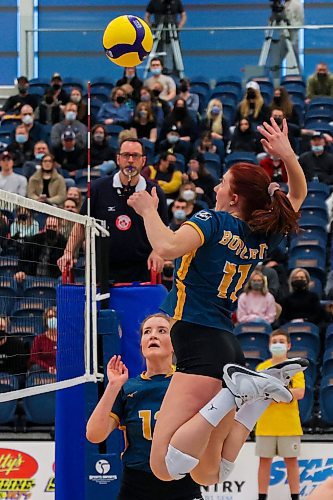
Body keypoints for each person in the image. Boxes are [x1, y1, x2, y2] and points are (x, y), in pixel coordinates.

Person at [126, 117, 308, 486]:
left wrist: (147, 210)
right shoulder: (261, 233)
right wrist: (288, 155)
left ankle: (235, 396)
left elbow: (165, 248)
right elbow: (298, 195)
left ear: (235, 197)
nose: (217, 186)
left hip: (196, 339)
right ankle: (253, 396)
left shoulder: (212, 219)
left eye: (223, 183)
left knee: (163, 466)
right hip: (226, 347)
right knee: (209, 474)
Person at [86, 313, 202, 500]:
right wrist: (113, 386)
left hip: (182, 481)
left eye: (162, 331)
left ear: (174, 344)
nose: (153, 335)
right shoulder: (128, 388)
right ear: (141, 344)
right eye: (147, 332)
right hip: (137, 483)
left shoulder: (188, 383)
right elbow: (94, 434)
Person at [58, 138, 168, 284]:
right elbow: (81, 225)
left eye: (135, 156)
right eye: (125, 155)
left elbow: (164, 229)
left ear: (143, 161)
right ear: (118, 159)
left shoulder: (154, 191)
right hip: (102, 271)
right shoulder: (98, 188)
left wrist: (158, 253)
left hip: (142, 270)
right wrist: (68, 253)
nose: (130, 160)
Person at [255, 329, 305, 500]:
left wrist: (277, 393)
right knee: (264, 462)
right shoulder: (262, 368)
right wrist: (283, 395)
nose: (278, 344)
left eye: (281, 341)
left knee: (291, 462)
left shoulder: (295, 368)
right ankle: (262, 497)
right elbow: (257, 392)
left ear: (289, 345)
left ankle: (295, 497)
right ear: (269, 345)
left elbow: (300, 392)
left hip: (289, 425)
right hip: (265, 424)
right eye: (274, 341)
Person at [15, 216, 67, 283]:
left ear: (59, 228)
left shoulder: (64, 243)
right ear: (45, 227)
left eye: (54, 227)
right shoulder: (34, 240)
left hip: (54, 280)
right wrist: (20, 271)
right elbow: (23, 258)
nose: (51, 229)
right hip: (33, 278)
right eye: (49, 226)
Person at [29, 306, 57, 375]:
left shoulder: (64, 338)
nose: (53, 319)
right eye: (50, 317)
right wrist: (48, 368)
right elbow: (34, 358)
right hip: (44, 370)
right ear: (46, 320)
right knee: (35, 368)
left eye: (55, 316)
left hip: (61, 369)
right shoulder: (39, 339)